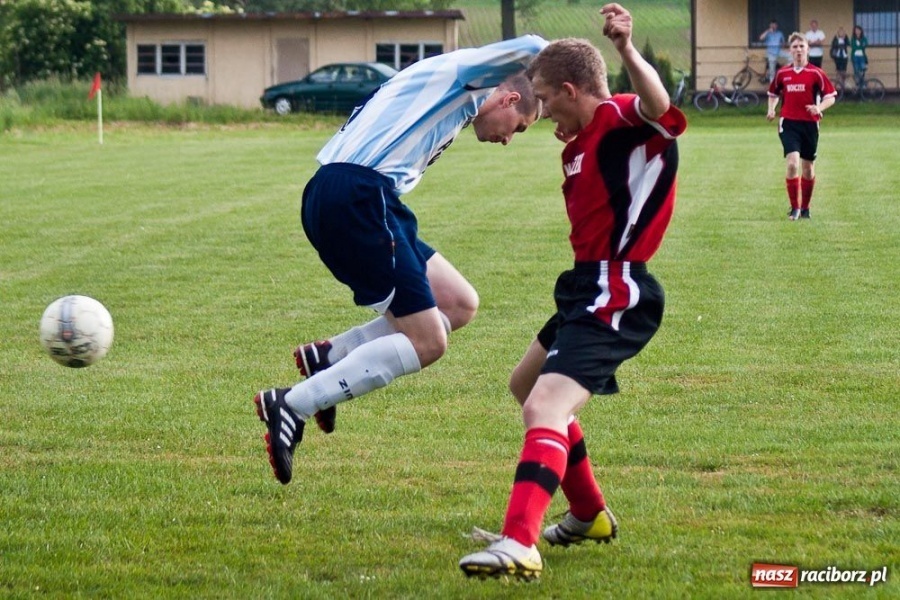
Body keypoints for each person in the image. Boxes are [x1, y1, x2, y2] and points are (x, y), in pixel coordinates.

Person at [253, 35, 547, 485]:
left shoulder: (455, 96)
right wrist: (582, 74)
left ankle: (329, 357)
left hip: (365, 197)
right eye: (519, 126)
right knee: (429, 341)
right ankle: (293, 403)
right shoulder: (466, 79)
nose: (510, 139)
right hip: (357, 197)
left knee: (459, 303)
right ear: (508, 99)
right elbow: (531, 43)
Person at [458, 3, 687, 580]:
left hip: (618, 285)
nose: (537, 108)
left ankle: (519, 543)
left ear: (567, 88)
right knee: (525, 385)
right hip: (585, 285)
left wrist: (627, 50)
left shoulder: (619, 119)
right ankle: (588, 514)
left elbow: (660, 108)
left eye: (542, 95)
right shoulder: (580, 141)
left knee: (545, 406)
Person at [766, 32, 836, 221]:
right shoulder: (783, 73)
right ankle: (795, 208)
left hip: (810, 125)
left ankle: (805, 208)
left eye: (801, 47)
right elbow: (773, 93)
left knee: (808, 168)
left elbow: (831, 97)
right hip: (788, 123)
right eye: (795, 47)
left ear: (808, 49)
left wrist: (818, 108)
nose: (798, 50)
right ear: (790, 50)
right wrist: (771, 109)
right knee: (792, 163)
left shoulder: (816, 74)